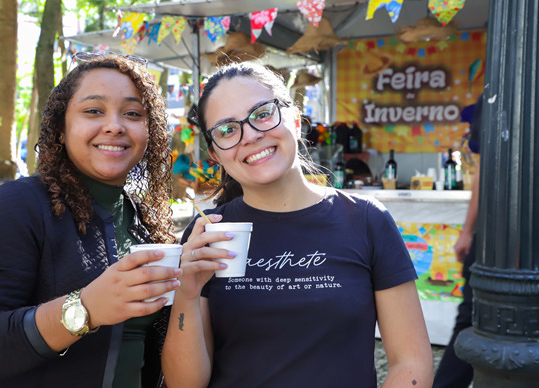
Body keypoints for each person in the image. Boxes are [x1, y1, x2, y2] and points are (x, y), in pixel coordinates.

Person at [161, 62, 433, 388]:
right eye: (227, 130)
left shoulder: (366, 220)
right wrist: (187, 295)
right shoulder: (209, 230)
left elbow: (412, 363)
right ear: (215, 153)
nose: (250, 135)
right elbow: (184, 384)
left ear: (294, 118)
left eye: (262, 113)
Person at [0, 53, 181, 388]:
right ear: (61, 128)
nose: (115, 125)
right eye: (93, 111)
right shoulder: (15, 207)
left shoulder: (143, 221)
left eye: (133, 114)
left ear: (150, 133)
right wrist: (84, 309)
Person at [432, 94, 483, 388]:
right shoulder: (493, 96)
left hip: (496, 235)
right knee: (472, 317)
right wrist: (467, 230)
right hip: (495, 235)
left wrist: (467, 230)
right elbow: (484, 169)